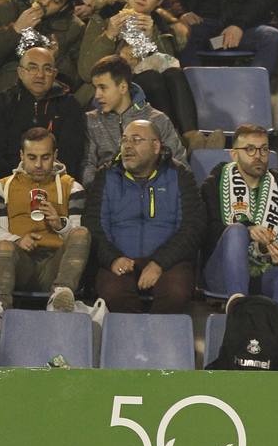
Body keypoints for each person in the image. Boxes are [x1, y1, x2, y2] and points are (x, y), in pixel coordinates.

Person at [0, 126, 90, 331]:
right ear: (21, 156)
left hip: (57, 266)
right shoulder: (2, 188)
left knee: (82, 233)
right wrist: (18, 240)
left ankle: (60, 297)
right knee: (5, 245)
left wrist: (60, 225)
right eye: (32, 157)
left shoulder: (73, 187)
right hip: (19, 266)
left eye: (45, 157)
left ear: (55, 156)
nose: (39, 165)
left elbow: (78, 236)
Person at [83, 118, 201, 313]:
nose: (127, 146)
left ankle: (158, 339)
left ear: (156, 146)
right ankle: (132, 339)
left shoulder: (179, 174)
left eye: (136, 140)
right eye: (124, 140)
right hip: (119, 260)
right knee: (113, 292)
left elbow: (192, 226)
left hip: (168, 261)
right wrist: (113, 259)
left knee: (176, 292)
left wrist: (159, 263)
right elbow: (94, 224)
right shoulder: (106, 175)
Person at [76, 0, 201, 143]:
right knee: (152, 78)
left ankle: (192, 137)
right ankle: (170, 139)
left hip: (147, 86)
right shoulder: (104, 16)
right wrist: (109, 35)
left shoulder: (160, 24)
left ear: (159, 1)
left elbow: (167, 63)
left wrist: (152, 38)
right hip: (109, 86)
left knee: (174, 74)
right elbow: (86, 70)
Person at [201, 124, 278, 318]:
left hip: (263, 272)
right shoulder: (213, 185)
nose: (258, 155)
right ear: (234, 154)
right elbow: (206, 235)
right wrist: (247, 231)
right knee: (237, 230)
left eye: (264, 149)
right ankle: (238, 307)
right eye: (249, 149)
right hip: (219, 273)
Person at [0, 40, 87, 180]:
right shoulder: (1, 104)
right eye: (33, 68)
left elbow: (73, 155)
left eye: (47, 69)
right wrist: (22, 179)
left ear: (54, 74)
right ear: (20, 72)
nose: (40, 75)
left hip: (57, 183)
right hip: (11, 183)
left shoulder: (70, 106)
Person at [81, 55, 184, 185]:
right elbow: (87, 166)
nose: (97, 95)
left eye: (103, 88)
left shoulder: (157, 119)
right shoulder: (90, 121)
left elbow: (178, 165)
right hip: (109, 196)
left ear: (123, 87)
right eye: (95, 88)